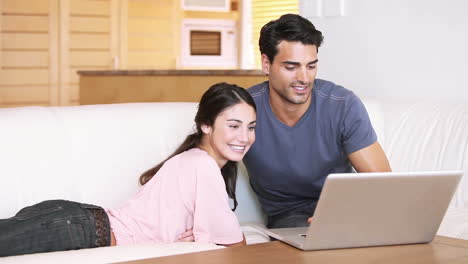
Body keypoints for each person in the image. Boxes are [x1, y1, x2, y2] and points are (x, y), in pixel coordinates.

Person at [0, 82, 256, 257]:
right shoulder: (202, 165)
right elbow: (238, 247)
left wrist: (203, 236)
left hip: (75, 220)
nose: (244, 137)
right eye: (234, 126)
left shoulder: (193, 160)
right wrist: (208, 236)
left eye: (251, 127)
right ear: (206, 126)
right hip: (79, 227)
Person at [243, 14, 392, 229]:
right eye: (291, 67)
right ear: (267, 64)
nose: (304, 78)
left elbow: (383, 185)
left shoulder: (342, 105)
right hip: (290, 217)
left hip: (343, 210)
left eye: (311, 66)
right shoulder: (244, 109)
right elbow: (204, 165)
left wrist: (348, 213)